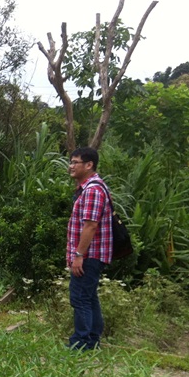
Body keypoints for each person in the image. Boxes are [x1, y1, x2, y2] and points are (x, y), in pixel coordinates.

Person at [66, 147, 113, 350]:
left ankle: (82, 343)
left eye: (75, 162)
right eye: (71, 162)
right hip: (91, 255)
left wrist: (79, 255)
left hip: (89, 256)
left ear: (89, 164)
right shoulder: (88, 188)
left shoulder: (93, 190)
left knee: (80, 298)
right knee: (89, 297)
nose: (71, 166)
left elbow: (91, 225)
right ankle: (92, 340)